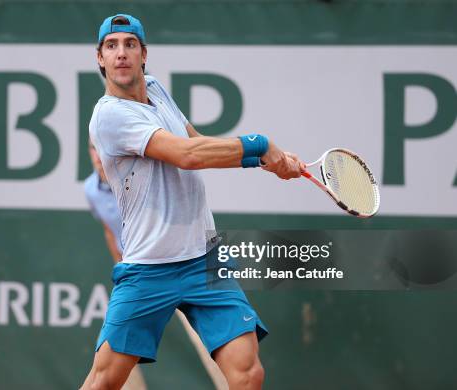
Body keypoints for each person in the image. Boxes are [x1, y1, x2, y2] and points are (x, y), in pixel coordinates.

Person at [82, 14, 304, 390]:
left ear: (143, 54)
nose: (121, 53)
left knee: (248, 374)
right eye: (112, 46)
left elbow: (197, 140)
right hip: (149, 267)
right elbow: (187, 155)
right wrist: (259, 145)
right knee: (104, 381)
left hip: (204, 257)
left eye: (130, 44)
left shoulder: (155, 88)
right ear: (100, 58)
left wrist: (261, 163)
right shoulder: (109, 116)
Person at [85, 140, 230, 389]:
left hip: (183, 264)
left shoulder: (142, 176)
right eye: (92, 148)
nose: (98, 154)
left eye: (102, 147)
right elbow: (110, 231)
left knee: (215, 345)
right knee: (111, 354)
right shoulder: (91, 190)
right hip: (138, 276)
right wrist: (122, 272)